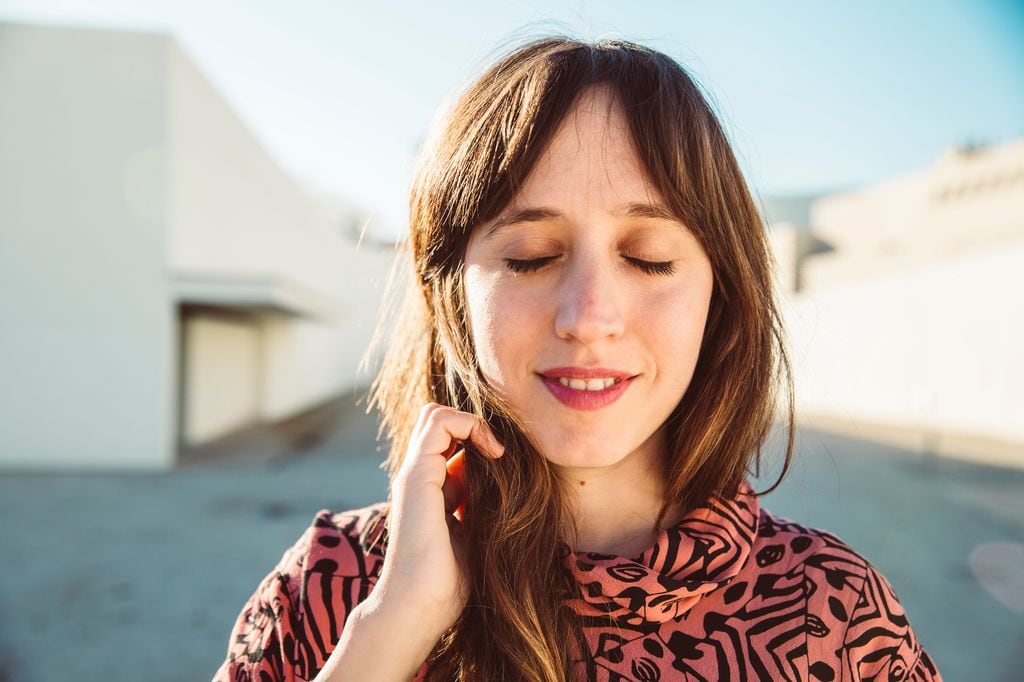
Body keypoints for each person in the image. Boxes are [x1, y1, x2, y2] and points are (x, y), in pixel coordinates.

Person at [212, 36, 941, 681]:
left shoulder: (837, 614)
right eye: (530, 258)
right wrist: (396, 625)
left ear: (720, 295)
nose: (589, 318)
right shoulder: (328, 588)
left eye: (648, 259)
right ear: (450, 294)